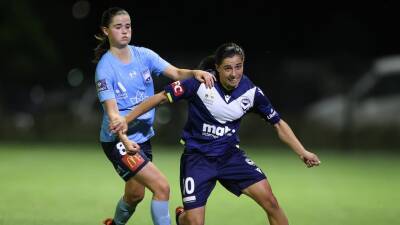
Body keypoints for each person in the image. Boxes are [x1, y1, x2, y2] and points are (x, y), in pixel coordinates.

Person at [111, 42, 321, 225]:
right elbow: (160, 98)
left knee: (271, 202)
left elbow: (278, 123)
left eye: (238, 67)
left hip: (230, 157)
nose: (234, 73)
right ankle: (182, 217)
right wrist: (125, 119)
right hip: (198, 159)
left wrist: (302, 151)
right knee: (193, 222)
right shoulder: (199, 84)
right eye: (228, 68)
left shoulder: (251, 92)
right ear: (218, 68)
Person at [93, 7, 215, 225]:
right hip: (119, 141)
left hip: (142, 139)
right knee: (162, 187)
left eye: (128, 26)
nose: (124, 31)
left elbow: (176, 73)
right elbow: (113, 115)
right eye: (118, 27)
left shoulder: (143, 55)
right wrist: (125, 140)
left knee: (135, 195)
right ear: (106, 31)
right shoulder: (105, 68)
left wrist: (194, 73)